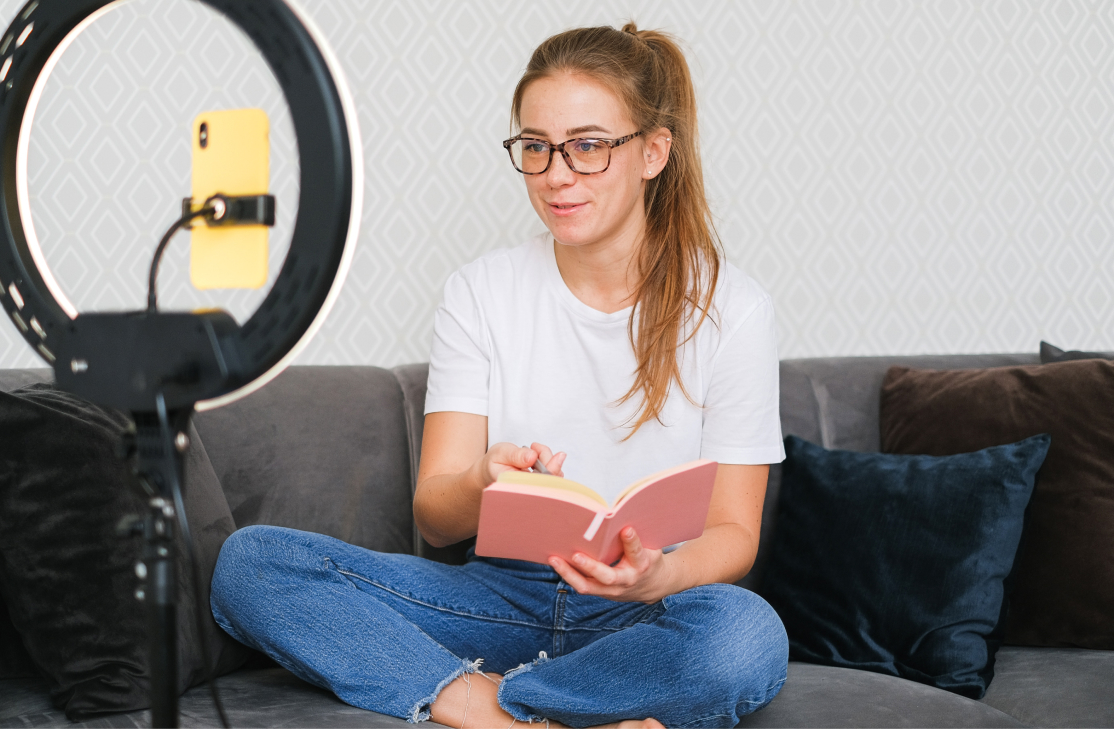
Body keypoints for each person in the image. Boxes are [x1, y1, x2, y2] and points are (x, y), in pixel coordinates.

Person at [211, 23, 788, 728]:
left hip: (642, 609)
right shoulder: (479, 291)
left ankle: (506, 699)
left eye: (588, 145)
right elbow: (434, 514)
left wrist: (658, 575)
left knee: (747, 634)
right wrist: (484, 480)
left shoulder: (735, 308)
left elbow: (734, 530)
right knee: (252, 563)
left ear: (653, 152)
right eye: (537, 146)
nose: (556, 173)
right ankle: (492, 705)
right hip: (497, 598)